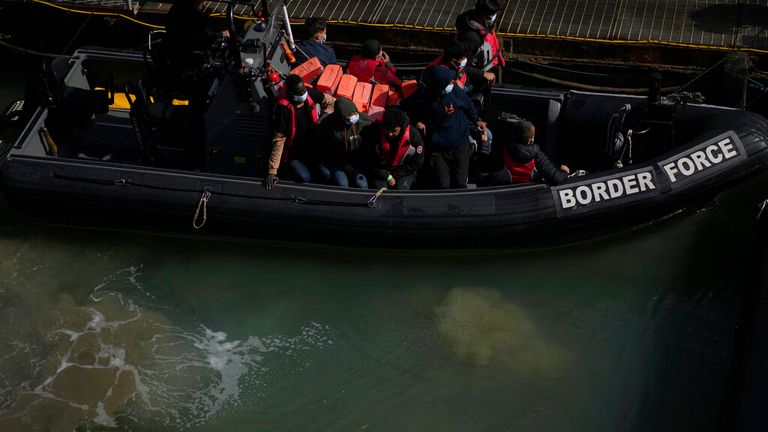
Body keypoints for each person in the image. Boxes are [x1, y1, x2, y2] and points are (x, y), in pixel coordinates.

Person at [401, 65, 485, 189]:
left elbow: (468, 105)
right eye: (449, 81)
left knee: (460, 183)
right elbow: (405, 108)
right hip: (438, 148)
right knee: (442, 185)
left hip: (460, 143)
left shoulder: (455, 90)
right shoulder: (423, 96)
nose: (453, 82)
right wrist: (417, 121)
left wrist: (477, 120)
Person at [266, 74, 335, 189]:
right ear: (289, 93)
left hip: (312, 147)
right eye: (298, 93)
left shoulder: (309, 93)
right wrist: (272, 171)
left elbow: (332, 102)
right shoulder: (283, 109)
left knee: (327, 173)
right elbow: (279, 139)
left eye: (303, 91)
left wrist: (322, 119)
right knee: (304, 177)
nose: (302, 94)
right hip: (294, 153)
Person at [478, 120, 570, 186]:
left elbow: (483, 164)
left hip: (503, 193)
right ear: (531, 140)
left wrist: (485, 143)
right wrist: (564, 171)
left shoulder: (504, 151)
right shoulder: (538, 156)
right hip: (528, 196)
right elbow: (556, 179)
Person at [456, 0, 505, 113]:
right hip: (472, 85)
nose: (495, 16)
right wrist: (483, 74)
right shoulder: (471, 37)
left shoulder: (483, 25)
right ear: (487, 14)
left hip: (482, 78)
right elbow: (459, 65)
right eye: (494, 13)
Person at [361, 108, 425, 190]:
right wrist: (386, 175)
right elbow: (369, 158)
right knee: (381, 192)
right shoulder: (374, 131)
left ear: (401, 127)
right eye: (387, 129)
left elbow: (417, 162)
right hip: (380, 170)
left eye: (394, 131)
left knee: (401, 190)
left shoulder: (414, 136)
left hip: (404, 171)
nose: (390, 134)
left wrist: (395, 175)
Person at [314, 96, 371, 188]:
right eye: (349, 116)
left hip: (358, 162)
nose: (353, 116)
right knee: (342, 184)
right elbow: (324, 151)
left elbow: (369, 145)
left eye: (354, 113)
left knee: (362, 185)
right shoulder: (327, 126)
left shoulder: (364, 121)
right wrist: (344, 165)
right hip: (338, 162)